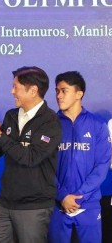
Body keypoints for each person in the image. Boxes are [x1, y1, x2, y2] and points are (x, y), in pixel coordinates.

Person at [0, 66, 61, 243]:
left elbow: (31, 157)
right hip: (5, 201)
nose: (12, 92)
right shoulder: (11, 116)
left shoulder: (50, 121)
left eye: (16, 87)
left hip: (34, 205)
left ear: (33, 90)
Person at [48, 71, 111, 243]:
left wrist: (80, 196)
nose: (58, 96)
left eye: (64, 91)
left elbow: (102, 166)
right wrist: (62, 196)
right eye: (57, 91)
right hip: (57, 205)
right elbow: (44, 165)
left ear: (79, 93)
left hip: (88, 206)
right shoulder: (49, 125)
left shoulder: (97, 125)